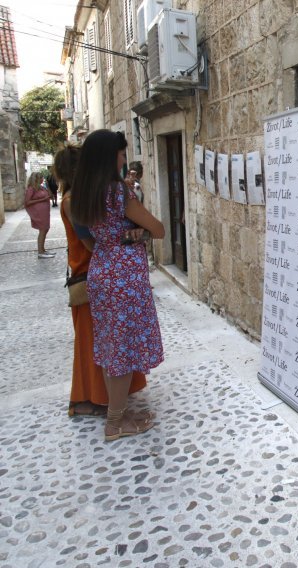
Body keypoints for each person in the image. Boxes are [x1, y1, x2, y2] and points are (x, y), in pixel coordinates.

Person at [71, 130, 165, 441]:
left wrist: (127, 233)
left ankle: (118, 414)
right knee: (123, 351)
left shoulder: (83, 194)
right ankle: (115, 423)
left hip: (101, 270)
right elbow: (159, 229)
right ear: (110, 156)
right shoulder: (118, 192)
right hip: (125, 277)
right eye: (122, 154)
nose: (124, 159)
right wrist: (139, 229)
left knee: (112, 348)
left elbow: (95, 236)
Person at [54, 144, 148, 418]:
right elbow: (92, 244)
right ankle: (96, 400)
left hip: (95, 273)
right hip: (89, 274)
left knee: (105, 342)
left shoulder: (83, 197)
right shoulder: (73, 201)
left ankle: (111, 400)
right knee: (95, 343)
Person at [24, 171, 55, 259]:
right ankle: (40, 252)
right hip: (39, 213)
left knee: (46, 229)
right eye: (41, 177)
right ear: (36, 179)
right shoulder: (31, 189)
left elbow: (50, 195)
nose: (42, 179)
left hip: (44, 212)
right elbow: (27, 202)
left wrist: (48, 186)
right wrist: (42, 200)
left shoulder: (41, 187)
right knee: (43, 230)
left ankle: (43, 249)